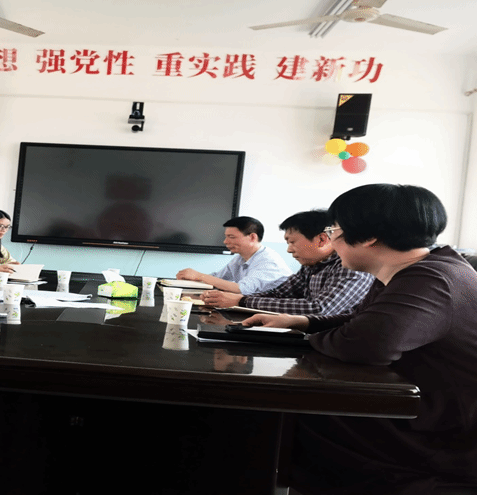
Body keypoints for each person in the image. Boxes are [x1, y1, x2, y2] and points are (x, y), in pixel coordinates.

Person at [243, 184, 477, 495]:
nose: (332, 240)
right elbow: (361, 321)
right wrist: (302, 323)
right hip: (419, 407)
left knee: (275, 412)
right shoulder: (416, 269)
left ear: (368, 237)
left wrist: (311, 337)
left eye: (334, 230)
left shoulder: (431, 279)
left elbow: (365, 345)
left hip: (441, 434)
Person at [200, 210, 374, 315]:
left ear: (321, 239)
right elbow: (279, 294)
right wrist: (234, 299)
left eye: (292, 242)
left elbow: (319, 308)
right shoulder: (311, 266)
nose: (289, 250)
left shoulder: (351, 266)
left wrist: (242, 301)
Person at [176, 216, 291, 294]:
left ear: (252, 237)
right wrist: (191, 278)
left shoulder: (268, 261)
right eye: (226, 237)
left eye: (231, 237)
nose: (225, 241)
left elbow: (241, 289)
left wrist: (199, 276)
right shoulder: (240, 258)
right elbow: (218, 278)